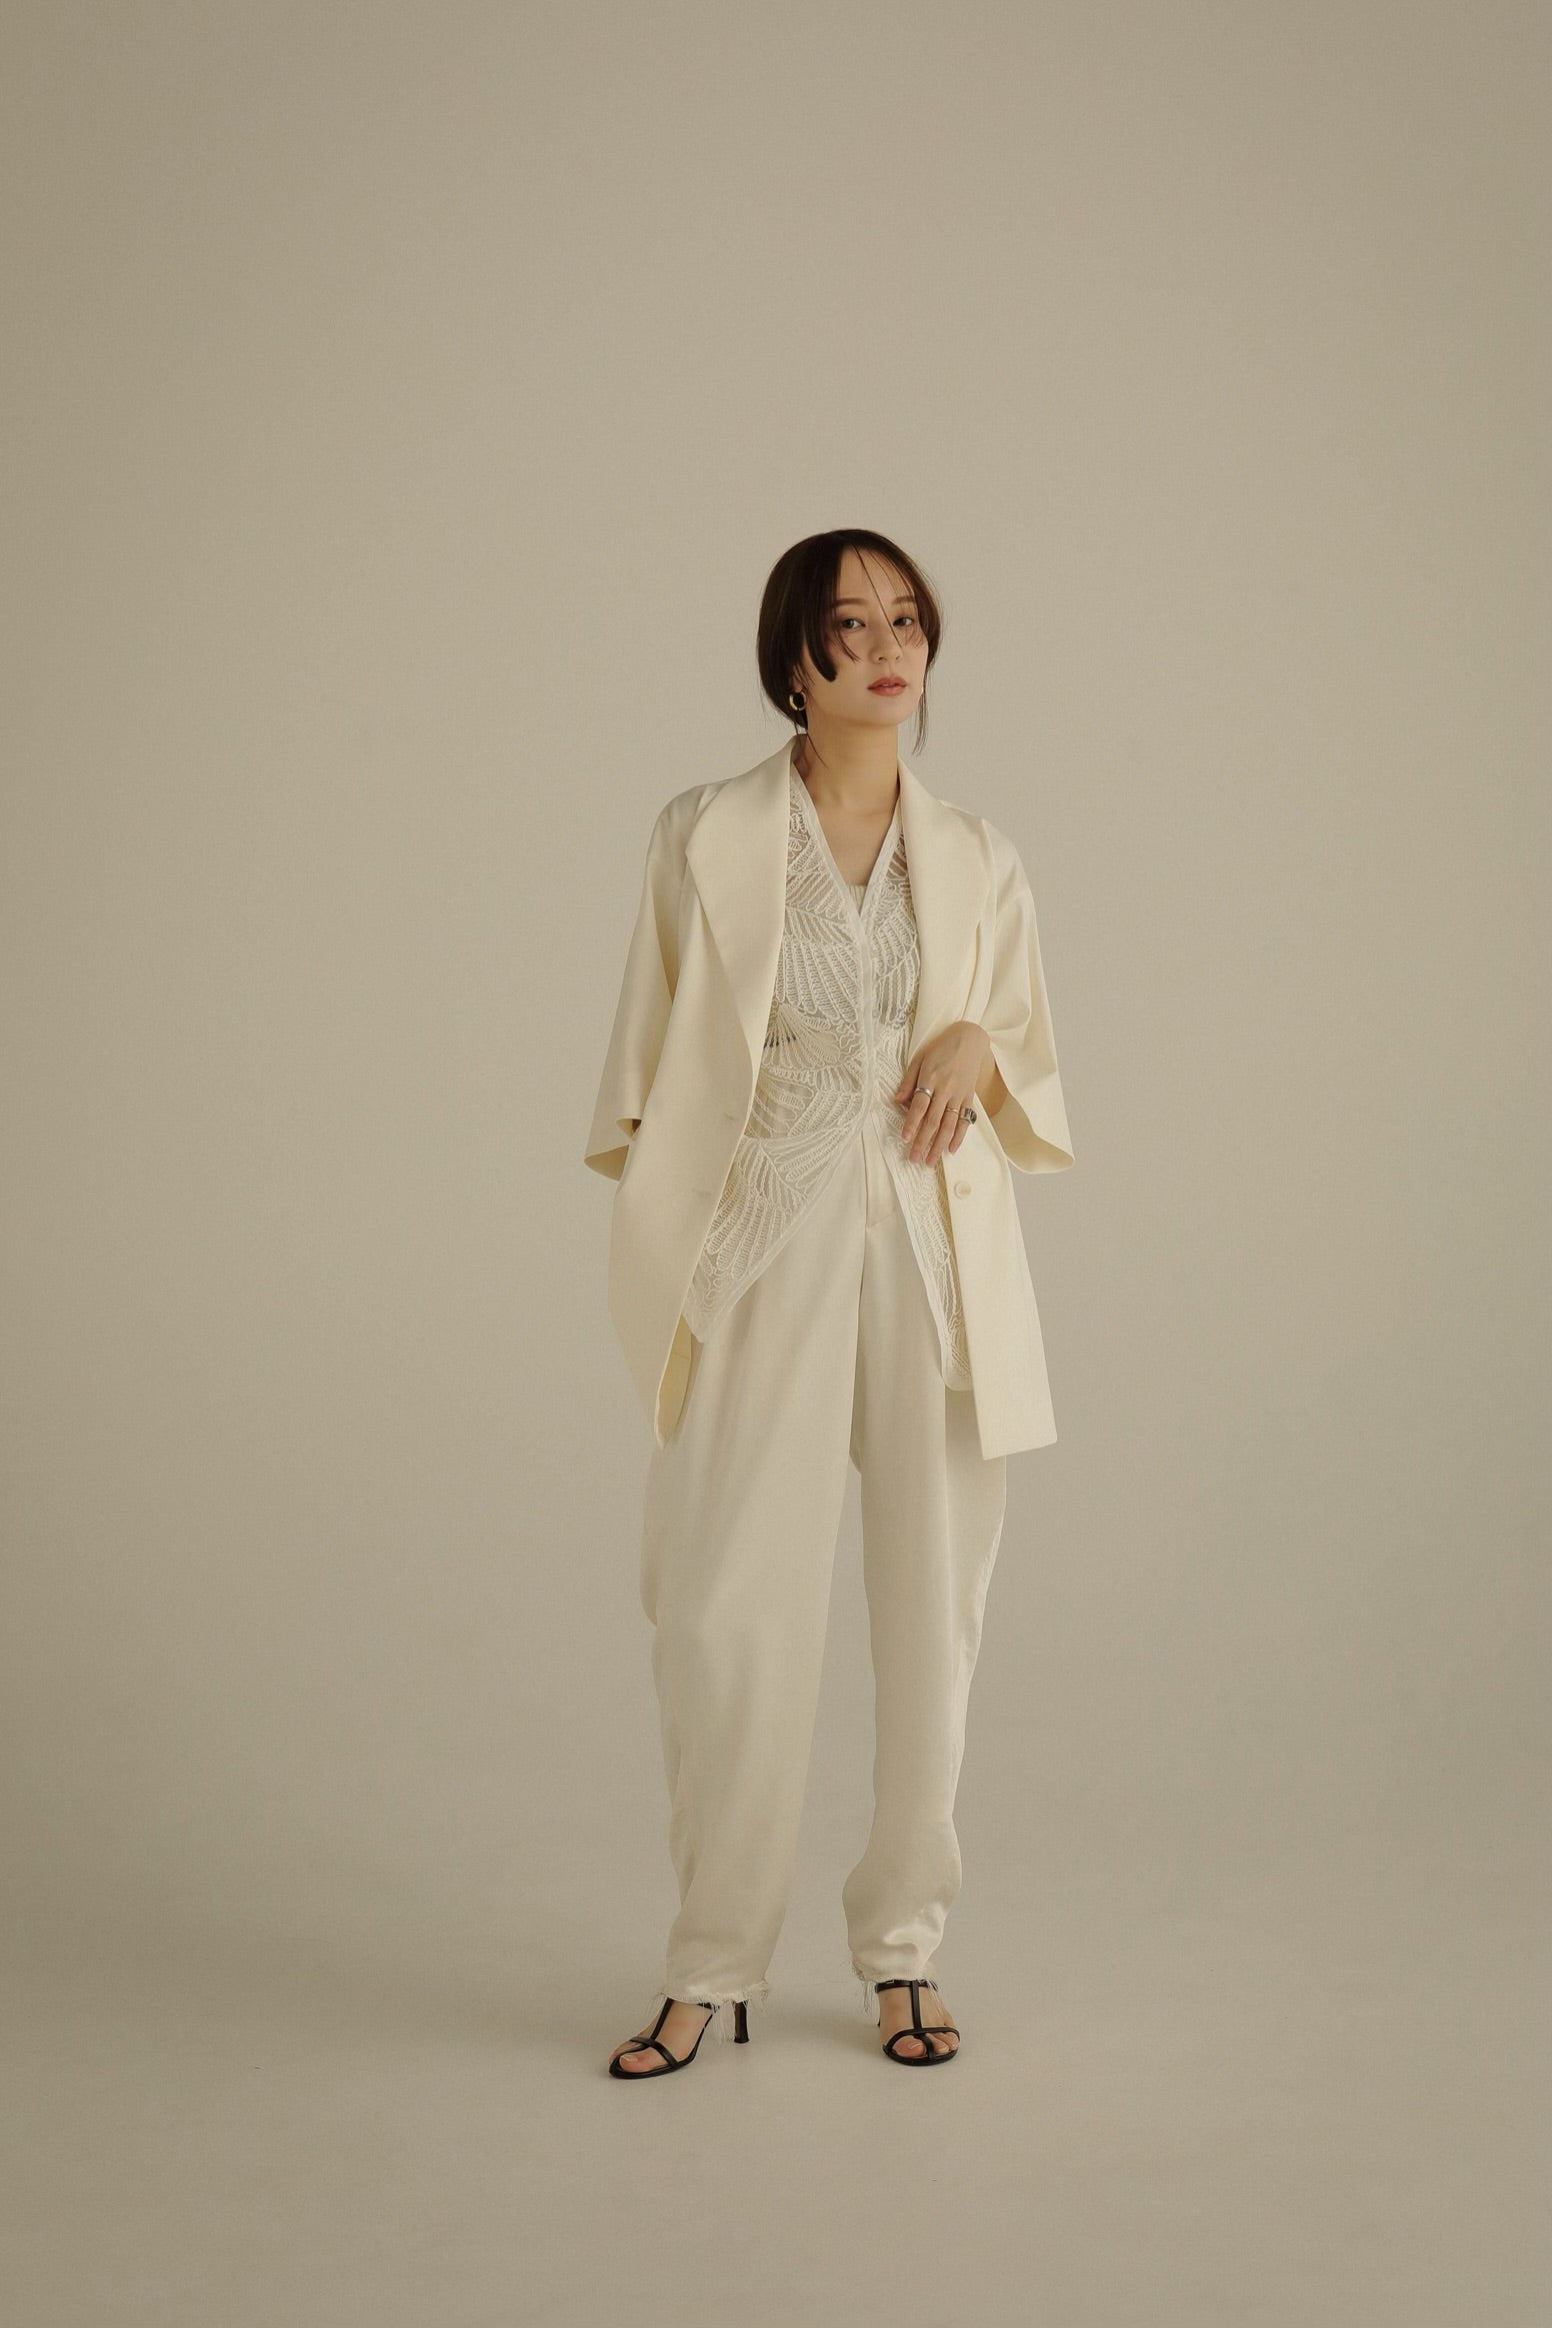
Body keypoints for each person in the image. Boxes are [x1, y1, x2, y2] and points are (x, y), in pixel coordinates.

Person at [583, 529, 1075, 2077]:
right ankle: (713, 1959)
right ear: (791, 657)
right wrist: (694, 1212)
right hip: (764, 1242)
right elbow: (645, 1069)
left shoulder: (980, 854)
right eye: (848, 624)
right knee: (724, 1612)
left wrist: (979, 1046)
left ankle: (903, 1950)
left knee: (935, 1613)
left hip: (933, 1249)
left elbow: (1024, 1051)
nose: (885, 648)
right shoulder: (702, 835)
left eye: (907, 620)